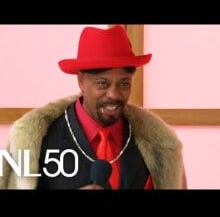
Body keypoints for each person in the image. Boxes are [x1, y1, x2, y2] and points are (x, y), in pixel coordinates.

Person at [0, 25, 187, 189]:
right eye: (102, 84)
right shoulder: (31, 140)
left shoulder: (161, 144)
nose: (114, 94)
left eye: (124, 84)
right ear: (81, 80)